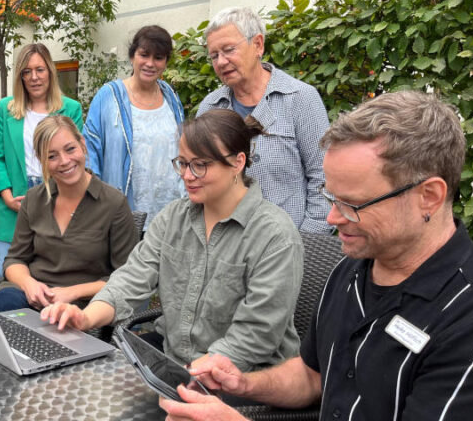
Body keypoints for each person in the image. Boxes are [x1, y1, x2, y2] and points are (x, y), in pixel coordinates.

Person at [161, 91, 473, 421]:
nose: (331, 218)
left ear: (428, 197)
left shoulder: (471, 321)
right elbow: (311, 376)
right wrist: (242, 382)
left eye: (352, 204)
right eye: (330, 196)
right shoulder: (349, 272)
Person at [43, 109, 303, 369]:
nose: (187, 176)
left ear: (238, 162)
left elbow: (256, 333)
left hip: (246, 378)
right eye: (182, 163)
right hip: (174, 360)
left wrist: (192, 376)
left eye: (200, 165)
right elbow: (132, 277)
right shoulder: (174, 218)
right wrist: (85, 318)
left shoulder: (274, 235)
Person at [197, 7, 332, 234]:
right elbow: (198, 177)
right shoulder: (210, 107)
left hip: (286, 245)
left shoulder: (300, 99)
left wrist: (305, 244)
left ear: (258, 45)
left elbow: (325, 179)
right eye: (214, 55)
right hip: (224, 245)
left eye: (229, 50)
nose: (220, 62)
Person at [0, 115, 138, 312]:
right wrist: (29, 284)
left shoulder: (113, 203)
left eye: (70, 149)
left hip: (79, 308)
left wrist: (72, 292)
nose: (64, 161)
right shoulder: (34, 199)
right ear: (41, 160)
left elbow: (127, 277)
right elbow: (14, 260)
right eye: (52, 156)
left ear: (82, 145)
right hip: (28, 299)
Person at [0, 43, 83, 281]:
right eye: (27, 71)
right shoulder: (6, 108)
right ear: (20, 76)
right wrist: (6, 194)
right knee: (5, 276)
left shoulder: (70, 109)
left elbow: (74, 160)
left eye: (40, 70)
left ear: (50, 71)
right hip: (15, 201)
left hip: (56, 198)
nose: (34, 77)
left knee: (49, 278)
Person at [84, 25, 185, 230]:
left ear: (166, 62)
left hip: (171, 215)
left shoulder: (171, 97)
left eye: (158, 57)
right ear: (132, 56)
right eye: (144, 55)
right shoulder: (108, 96)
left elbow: (184, 149)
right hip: (124, 216)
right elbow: (89, 151)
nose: (150, 63)